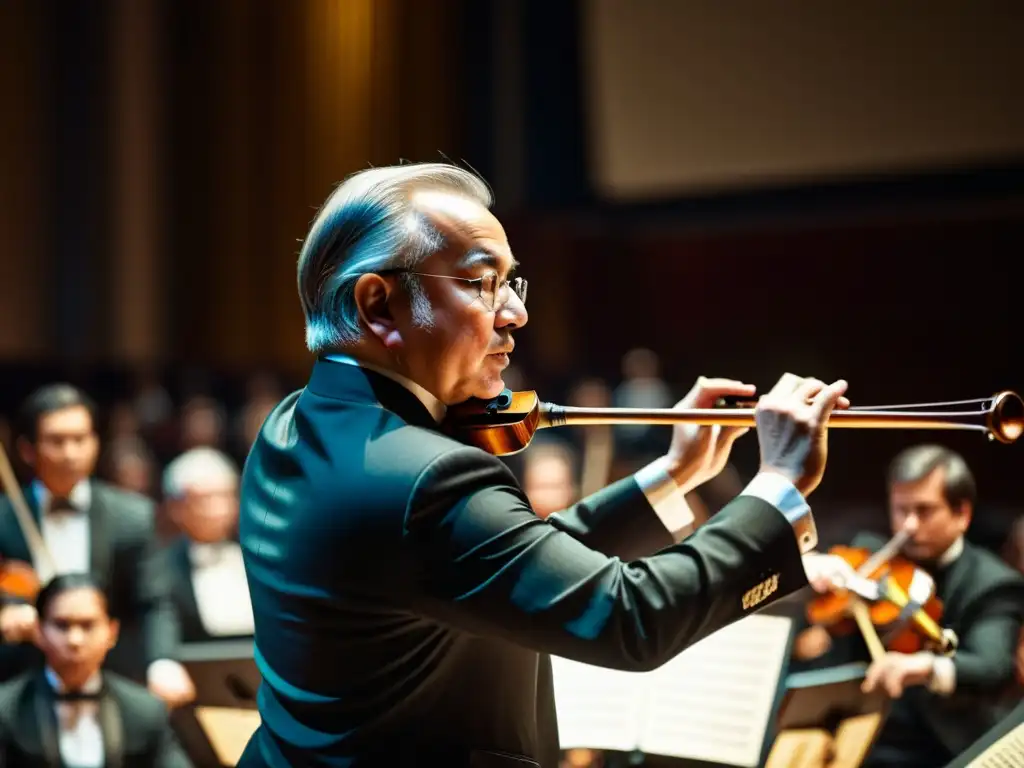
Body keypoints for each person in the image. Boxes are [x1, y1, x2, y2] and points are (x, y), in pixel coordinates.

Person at [236, 162, 849, 767]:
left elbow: (498, 560)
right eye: (481, 284)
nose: (514, 314)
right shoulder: (426, 476)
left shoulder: (292, 425)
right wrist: (776, 488)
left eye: (511, 283)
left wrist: (674, 475)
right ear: (379, 305)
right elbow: (631, 619)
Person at [798, 444, 1024, 766]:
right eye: (901, 510)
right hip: (859, 732)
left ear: (962, 514)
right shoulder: (870, 555)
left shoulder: (992, 583)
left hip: (939, 744)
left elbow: (992, 665)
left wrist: (925, 667)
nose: (909, 526)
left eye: (924, 510)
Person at [0, 384, 193, 708]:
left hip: (111, 683)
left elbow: (154, 601)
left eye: (80, 439)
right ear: (27, 450)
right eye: (56, 441)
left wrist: (163, 662)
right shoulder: (5, 518)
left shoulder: (132, 516)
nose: (71, 453)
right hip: (21, 691)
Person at [0, 573, 192, 767]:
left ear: (112, 632)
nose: (75, 640)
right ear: (39, 631)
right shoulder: (5, 710)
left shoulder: (146, 711)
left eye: (87, 625)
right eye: (61, 625)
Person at [161, 447, 253, 643]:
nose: (220, 509)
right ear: (176, 507)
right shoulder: (162, 568)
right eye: (206, 499)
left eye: (227, 496)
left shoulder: (258, 556)